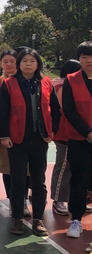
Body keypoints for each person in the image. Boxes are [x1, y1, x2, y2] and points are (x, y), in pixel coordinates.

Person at [0, 48, 53, 236]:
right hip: (17, 140)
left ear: (38, 63)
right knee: (18, 180)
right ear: (19, 64)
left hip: (39, 139)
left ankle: (38, 219)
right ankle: (17, 219)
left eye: (32, 61)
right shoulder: (9, 84)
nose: (28, 64)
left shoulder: (46, 83)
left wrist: (51, 131)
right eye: (24, 61)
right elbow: (2, 112)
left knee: (39, 181)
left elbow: (55, 109)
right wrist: (4, 135)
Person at [0, 50, 29, 215]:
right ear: (0, 63)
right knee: (8, 168)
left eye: (12, 61)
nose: (9, 64)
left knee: (26, 169)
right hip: (4, 132)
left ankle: (23, 200)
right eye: (5, 61)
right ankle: (13, 200)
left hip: (25, 132)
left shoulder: (26, 81)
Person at [63, 42, 92, 239]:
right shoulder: (71, 81)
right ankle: (76, 219)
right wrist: (87, 132)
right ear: (79, 59)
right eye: (84, 57)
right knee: (79, 180)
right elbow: (69, 110)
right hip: (79, 139)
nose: (89, 61)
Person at [50, 60, 82, 216]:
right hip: (65, 132)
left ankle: (74, 200)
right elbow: (67, 108)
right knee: (63, 167)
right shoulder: (61, 86)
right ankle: (58, 200)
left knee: (74, 168)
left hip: (75, 132)